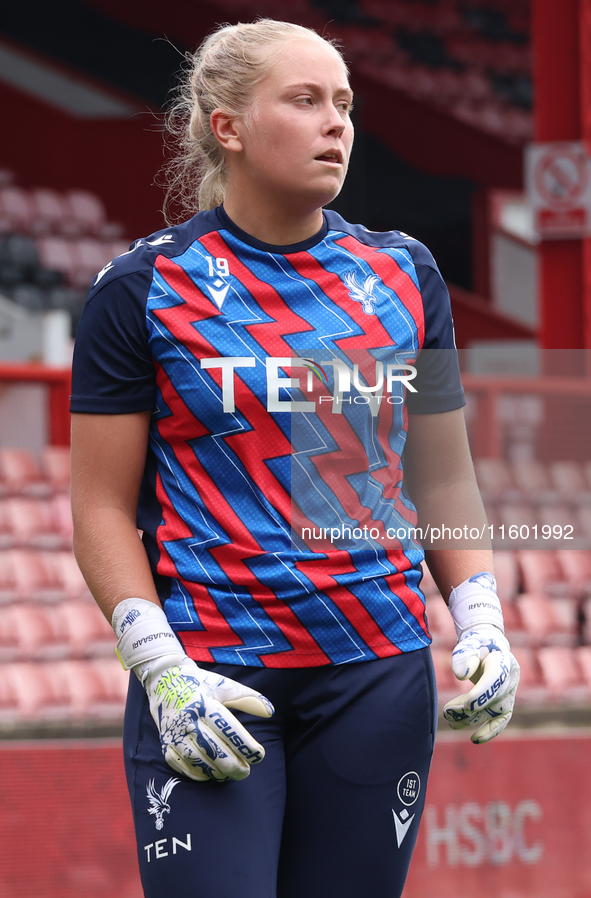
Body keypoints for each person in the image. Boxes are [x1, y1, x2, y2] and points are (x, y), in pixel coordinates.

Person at [70, 19, 520, 898]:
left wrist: (481, 618)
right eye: (306, 100)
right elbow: (97, 508)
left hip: (375, 677)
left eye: (344, 104)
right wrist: (160, 669)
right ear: (226, 125)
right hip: (211, 675)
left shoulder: (405, 274)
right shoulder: (144, 286)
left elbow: (442, 478)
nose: (336, 125)